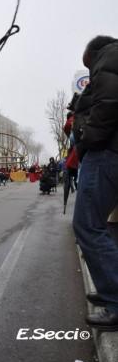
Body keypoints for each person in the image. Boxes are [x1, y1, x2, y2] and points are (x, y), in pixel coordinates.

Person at [73, 35, 118, 331]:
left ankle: (115, 299)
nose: (88, 72)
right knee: (96, 224)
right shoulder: (110, 61)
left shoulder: (108, 61)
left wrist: (87, 138)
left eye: (87, 66)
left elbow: (108, 105)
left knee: (88, 225)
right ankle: (108, 290)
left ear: (92, 54)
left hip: (105, 152)